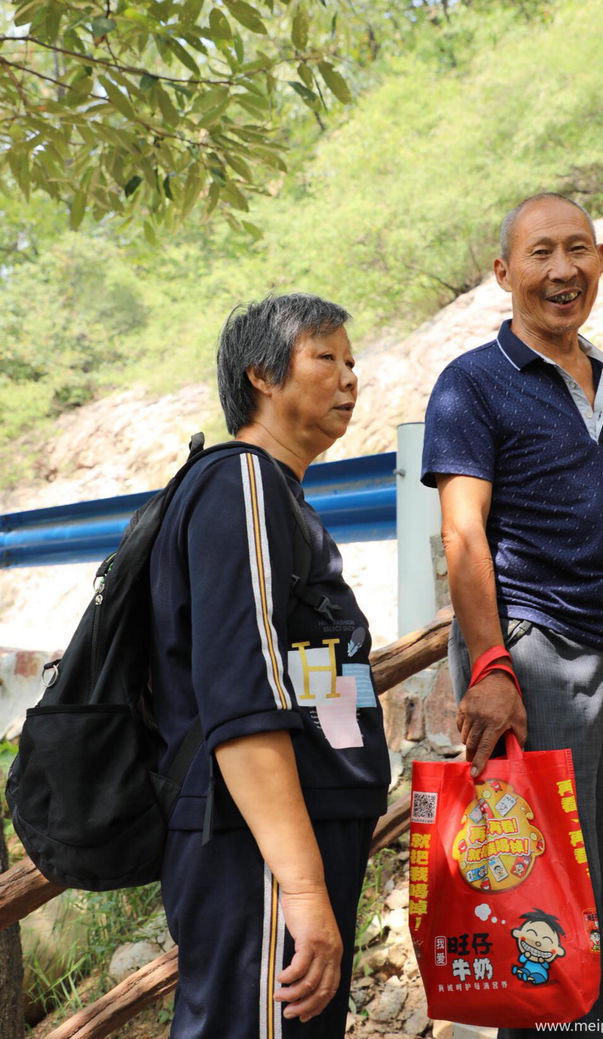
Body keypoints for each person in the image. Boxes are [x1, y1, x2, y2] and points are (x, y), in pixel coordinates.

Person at [421, 193, 603, 1036]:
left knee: (590, 881)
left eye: (578, 251)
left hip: (592, 649)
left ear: (601, 259)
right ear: (503, 273)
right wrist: (488, 667)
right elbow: (461, 531)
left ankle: (581, 1028)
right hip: (527, 652)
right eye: (540, 254)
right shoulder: (472, 382)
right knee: (538, 894)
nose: (563, 271)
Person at [148, 293, 390, 1039]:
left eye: (353, 362)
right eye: (327, 357)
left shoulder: (282, 499)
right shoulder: (242, 483)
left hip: (291, 844)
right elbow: (244, 703)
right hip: (257, 856)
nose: (350, 378)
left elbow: (311, 681)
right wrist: (305, 887)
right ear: (262, 374)